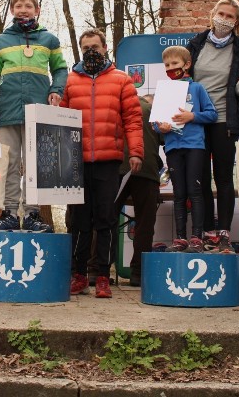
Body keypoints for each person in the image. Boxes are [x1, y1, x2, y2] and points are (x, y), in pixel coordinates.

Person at [62, 29, 143, 298]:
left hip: (109, 161)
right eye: (85, 48)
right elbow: (59, 118)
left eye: (94, 47)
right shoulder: (70, 81)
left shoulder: (122, 80)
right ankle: (78, 275)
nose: (90, 52)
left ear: (105, 47)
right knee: (79, 220)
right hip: (76, 162)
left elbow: (132, 118)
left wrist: (136, 152)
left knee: (106, 219)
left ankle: (103, 276)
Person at [0, 0, 68, 233]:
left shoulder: (49, 40)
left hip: (38, 111)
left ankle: (31, 213)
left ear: (37, 10)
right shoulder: (1, 40)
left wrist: (56, 90)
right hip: (8, 109)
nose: (23, 10)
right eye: (18, 6)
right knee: (9, 163)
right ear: (12, 10)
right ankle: (9, 213)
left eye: (28, 6)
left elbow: (60, 69)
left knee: (35, 165)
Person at [185, 0, 239, 254]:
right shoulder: (195, 44)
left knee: (223, 178)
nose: (223, 19)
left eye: (229, 16)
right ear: (212, 13)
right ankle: (202, 233)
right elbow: (183, 80)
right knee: (200, 179)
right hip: (197, 120)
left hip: (225, 119)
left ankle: (223, 235)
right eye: (220, 13)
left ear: (236, 21)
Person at [153, 46, 217, 253]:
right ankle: (180, 238)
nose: (171, 68)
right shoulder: (163, 90)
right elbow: (155, 122)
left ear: (187, 64)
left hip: (195, 147)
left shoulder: (197, 88)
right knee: (179, 193)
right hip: (173, 147)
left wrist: (192, 116)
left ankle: (197, 237)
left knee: (195, 191)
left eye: (175, 64)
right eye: (167, 65)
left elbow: (212, 114)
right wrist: (159, 127)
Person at [115, 94, 162, 287]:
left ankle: (97, 270)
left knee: (106, 220)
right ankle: (138, 274)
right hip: (147, 170)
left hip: (118, 169)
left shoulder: (120, 108)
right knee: (144, 223)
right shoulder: (155, 111)